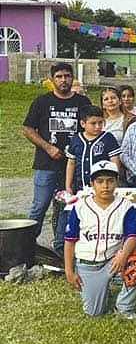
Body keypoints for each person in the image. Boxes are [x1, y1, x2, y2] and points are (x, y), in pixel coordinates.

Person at [23, 62, 92, 254]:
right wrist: (48, 147)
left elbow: (92, 126)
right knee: (40, 205)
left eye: (67, 76)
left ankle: (61, 247)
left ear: (72, 78)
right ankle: (26, 245)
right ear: (52, 79)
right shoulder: (41, 102)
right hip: (46, 164)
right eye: (59, 76)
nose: (64, 80)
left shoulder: (82, 102)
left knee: (67, 205)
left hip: (72, 165)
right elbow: (28, 129)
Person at [64, 161, 136, 319]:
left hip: (114, 261)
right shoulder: (80, 207)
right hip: (88, 265)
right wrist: (69, 272)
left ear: (116, 182)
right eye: (100, 181)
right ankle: (101, 291)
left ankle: (124, 307)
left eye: (110, 181)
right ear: (92, 183)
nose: (105, 186)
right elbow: (70, 241)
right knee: (94, 313)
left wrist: (124, 254)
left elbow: (133, 236)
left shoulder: (126, 206)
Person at [65, 106, 122, 195]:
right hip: (80, 188)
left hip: (102, 188)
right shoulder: (76, 139)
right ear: (83, 124)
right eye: (93, 123)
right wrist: (68, 186)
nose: (97, 126)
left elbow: (115, 161)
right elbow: (71, 163)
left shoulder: (108, 138)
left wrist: (115, 182)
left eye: (100, 123)